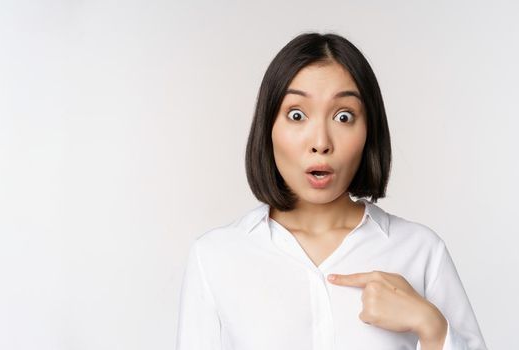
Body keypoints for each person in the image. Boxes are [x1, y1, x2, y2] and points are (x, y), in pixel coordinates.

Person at [175, 33, 487, 350]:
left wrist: (432, 328)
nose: (321, 142)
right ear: (268, 127)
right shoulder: (215, 257)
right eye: (297, 115)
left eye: (343, 116)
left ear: (369, 131)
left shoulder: (421, 251)